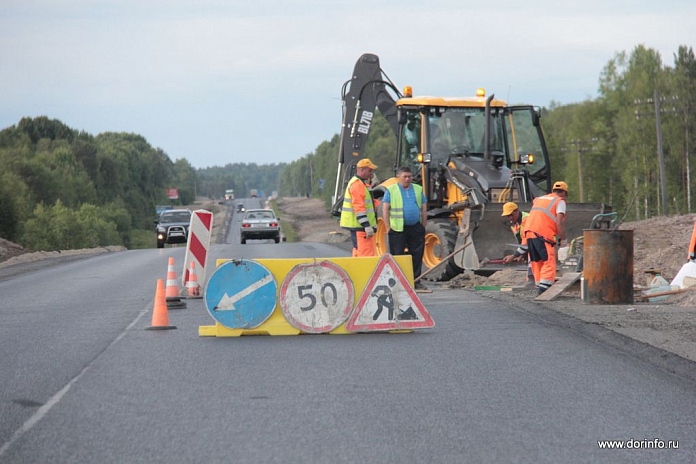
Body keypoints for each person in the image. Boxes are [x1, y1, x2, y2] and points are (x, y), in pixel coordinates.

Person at [382, 166, 428, 289]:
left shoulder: (418, 189)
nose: (408, 179)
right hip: (397, 229)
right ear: (399, 177)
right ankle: (399, 281)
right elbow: (385, 209)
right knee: (398, 255)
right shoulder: (391, 190)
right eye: (405, 177)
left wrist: (423, 225)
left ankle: (416, 280)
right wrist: (388, 227)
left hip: (415, 227)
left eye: (409, 176)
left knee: (417, 255)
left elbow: (424, 208)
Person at [522, 181, 568, 294]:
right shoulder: (559, 201)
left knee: (537, 261)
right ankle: (544, 288)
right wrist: (563, 240)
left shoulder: (539, 199)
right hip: (543, 235)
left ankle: (539, 285)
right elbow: (559, 223)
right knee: (549, 261)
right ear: (563, 193)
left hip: (529, 233)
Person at [340, 158, 380, 257]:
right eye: (370, 170)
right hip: (360, 228)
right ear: (362, 169)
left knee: (359, 253)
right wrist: (366, 226)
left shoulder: (362, 184)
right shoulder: (357, 185)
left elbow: (369, 204)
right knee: (366, 255)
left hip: (359, 227)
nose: (371, 173)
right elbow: (359, 208)